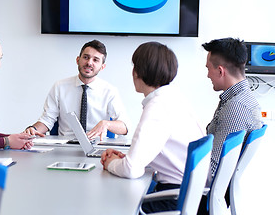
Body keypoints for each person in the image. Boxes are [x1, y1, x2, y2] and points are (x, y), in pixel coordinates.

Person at [101, 42, 204, 213]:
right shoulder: (174, 97)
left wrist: (110, 163)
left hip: (173, 198)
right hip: (188, 195)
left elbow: (131, 169)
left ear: (137, 72)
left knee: (109, 205)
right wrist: (126, 158)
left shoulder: (158, 106)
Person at [197, 38, 263, 214]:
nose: (207, 75)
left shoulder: (236, 108)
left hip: (203, 199)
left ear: (220, 71)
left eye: (208, 69)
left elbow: (212, 171)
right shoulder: (240, 98)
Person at [25, 40, 130, 139]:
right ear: (77, 60)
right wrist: (33, 129)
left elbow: (125, 127)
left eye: (95, 60)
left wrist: (106, 124)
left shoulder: (109, 91)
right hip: (65, 146)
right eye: (86, 57)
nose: (89, 63)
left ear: (102, 67)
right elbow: (47, 120)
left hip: (97, 145)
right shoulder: (60, 87)